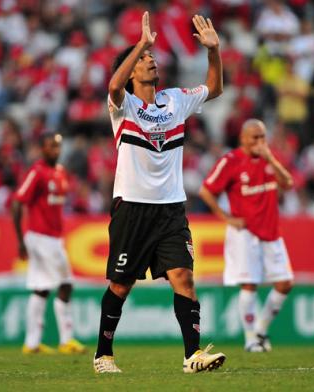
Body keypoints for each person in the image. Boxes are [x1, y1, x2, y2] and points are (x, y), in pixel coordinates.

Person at [93, 11, 226, 373]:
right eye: (145, 60)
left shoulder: (175, 100)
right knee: (120, 285)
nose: (152, 62)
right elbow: (112, 87)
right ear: (133, 69)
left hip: (170, 208)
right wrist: (141, 44)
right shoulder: (123, 107)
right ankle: (103, 354)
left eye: (152, 58)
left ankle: (192, 356)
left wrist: (214, 52)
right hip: (133, 207)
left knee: (184, 276)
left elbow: (215, 88)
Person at [199, 119, 294, 352]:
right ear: (243, 138)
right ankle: (251, 338)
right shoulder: (230, 161)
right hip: (245, 233)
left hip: (271, 231)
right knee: (249, 285)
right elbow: (206, 190)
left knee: (285, 283)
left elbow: (288, 183)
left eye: (263, 137)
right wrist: (226, 217)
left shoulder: (270, 159)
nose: (260, 142)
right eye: (255, 137)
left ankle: (261, 329)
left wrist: (270, 158)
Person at [12, 132, 86, 355]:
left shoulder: (60, 172)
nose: (55, 150)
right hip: (40, 237)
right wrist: (20, 241)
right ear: (41, 149)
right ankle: (66, 340)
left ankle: (32, 344)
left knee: (41, 289)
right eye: (50, 147)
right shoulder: (37, 172)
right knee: (66, 284)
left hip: (52, 237)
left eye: (57, 146)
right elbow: (17, 203)